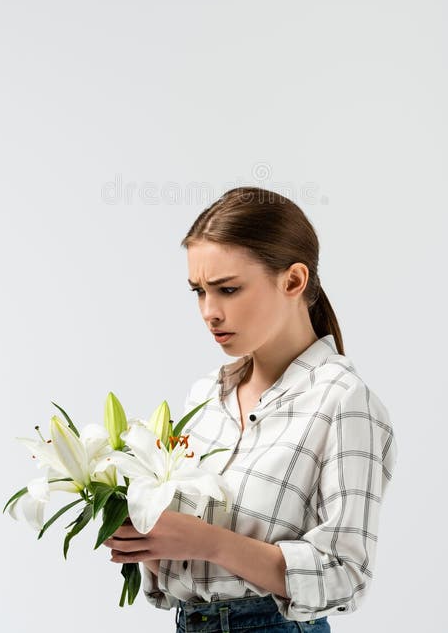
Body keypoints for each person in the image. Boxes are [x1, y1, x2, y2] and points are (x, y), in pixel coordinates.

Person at [105, 186, 397, 632]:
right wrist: (143, 534)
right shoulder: (206, 397)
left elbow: (345, 575)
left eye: (228, 289)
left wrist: (210, 543)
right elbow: (182, 556)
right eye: (199, 292)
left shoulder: (341, 400)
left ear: (294, 281)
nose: (209, 312)